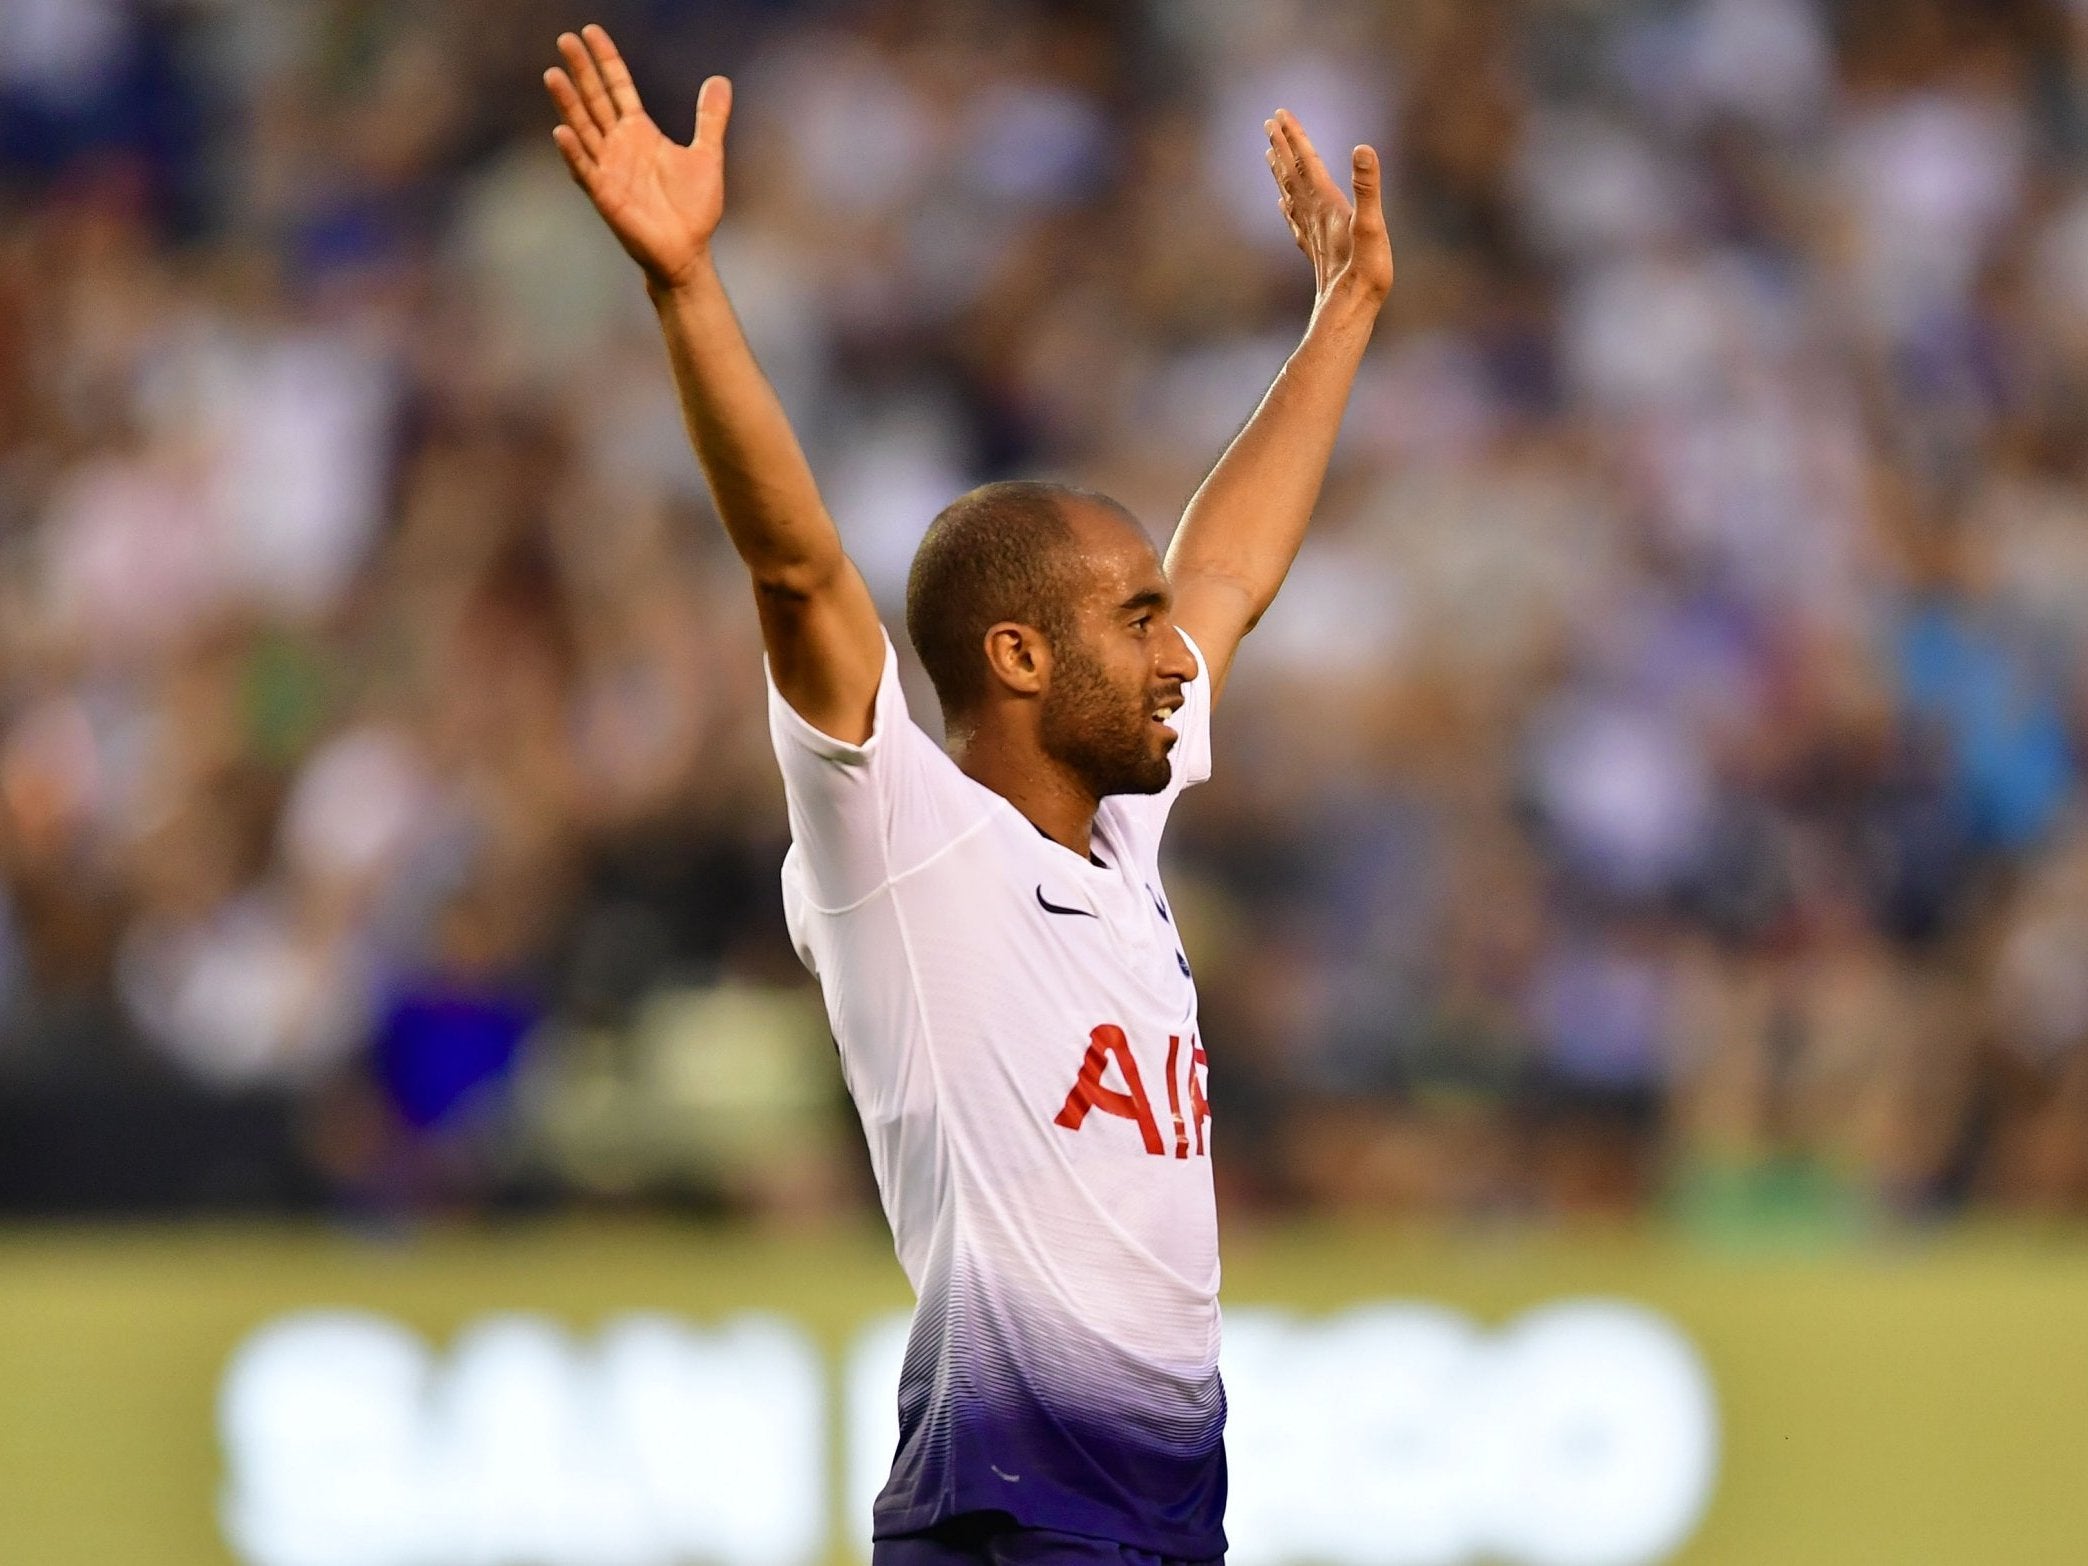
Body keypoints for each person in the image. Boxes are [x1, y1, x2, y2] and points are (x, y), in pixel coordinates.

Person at [544, 24, 1392, 1564]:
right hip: (1008, 1516)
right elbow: (797, 565)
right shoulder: (905, 844)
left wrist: (1342, 316)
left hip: (1161, 1517)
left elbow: (1233, 570)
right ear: (1014, 654)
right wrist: (686, 282)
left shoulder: (1121, 830)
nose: (1172, 648)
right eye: (1130, 620)